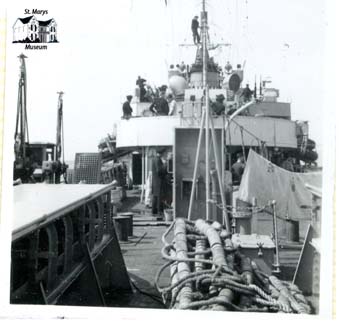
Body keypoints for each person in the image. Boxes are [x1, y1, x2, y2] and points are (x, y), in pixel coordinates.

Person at [151, 149, 168, 215]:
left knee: (155, 196)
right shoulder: (158, 160)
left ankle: (154, 211)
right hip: (159, 181)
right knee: (159, 196)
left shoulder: (154, 159)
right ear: (161, 153)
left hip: (155, 181)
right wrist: (165, 164)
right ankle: (159, 211)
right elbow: (159, 170)